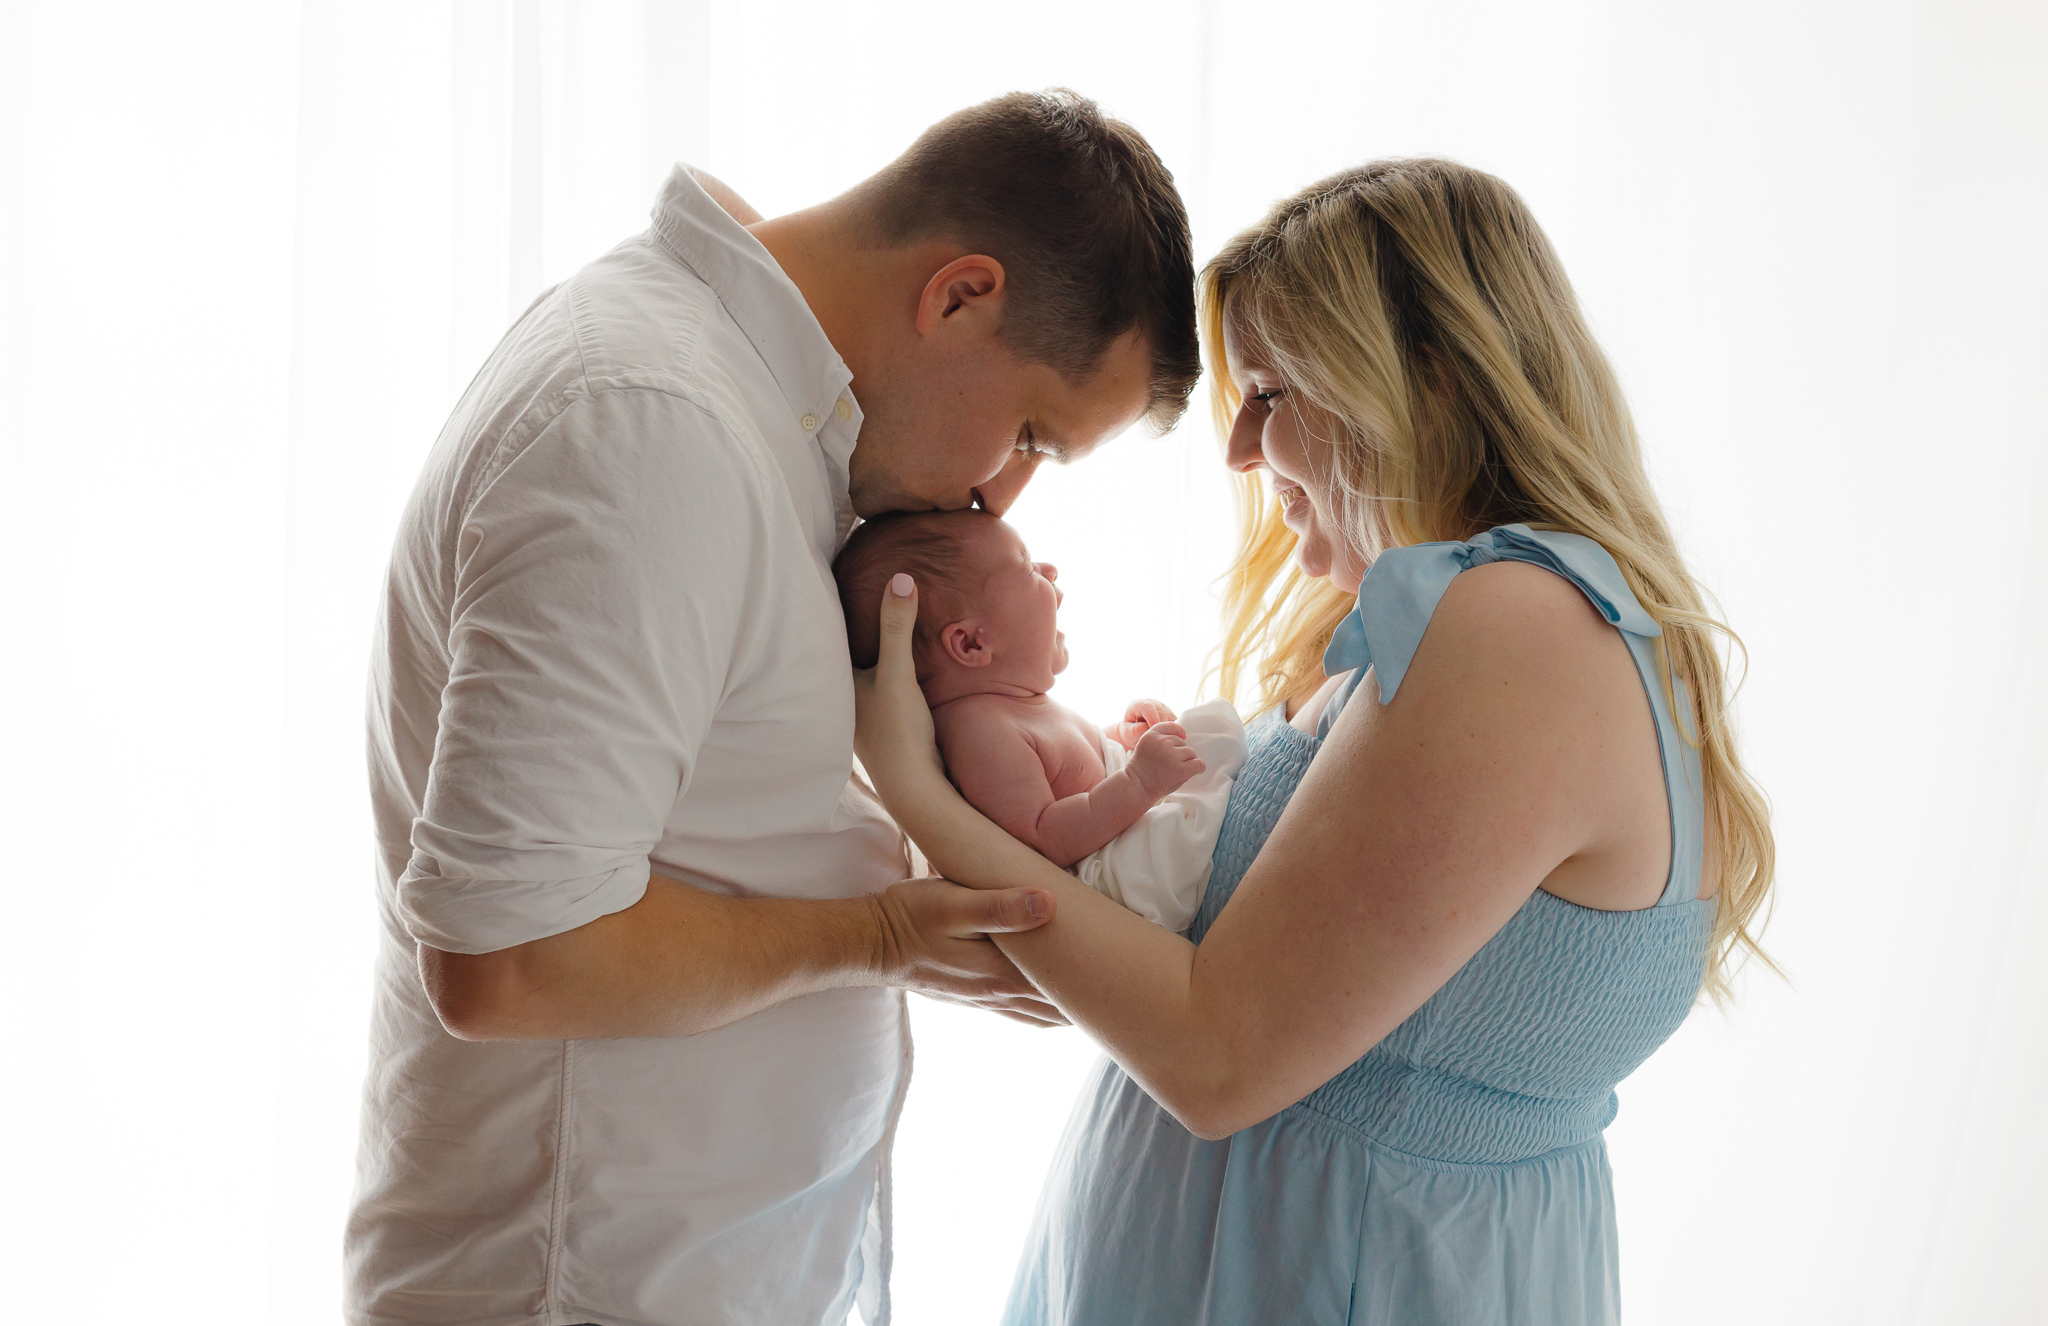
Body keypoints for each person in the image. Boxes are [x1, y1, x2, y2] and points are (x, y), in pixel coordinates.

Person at [852, 158, 1777, 1325]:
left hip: (1340, 1270)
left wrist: (911, 789)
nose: (1239, 449)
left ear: (1424, 380)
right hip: (1250, 1251)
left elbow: (1215, 1059)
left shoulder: (1518, 626)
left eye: (1273, 392)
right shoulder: (1445, 619)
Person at [346, 89, 1199, 1326]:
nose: (1000, 499)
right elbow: (511, 959)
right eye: (1027, 434)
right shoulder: (648, 429)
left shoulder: (751, 422)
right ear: (959, 294)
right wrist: (881, 937)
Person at [832, 508, 1246, 930]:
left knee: (1205, 732)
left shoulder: (1014, 705)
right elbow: (1044, 837)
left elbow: (1070, 769)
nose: (1050, 570)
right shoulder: (982, 733)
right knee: (1209, 754)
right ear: (971, 643)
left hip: (1119, 817)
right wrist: (1139, 780)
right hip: (1116, 865)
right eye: (1028, 568)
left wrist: (1122, 736)